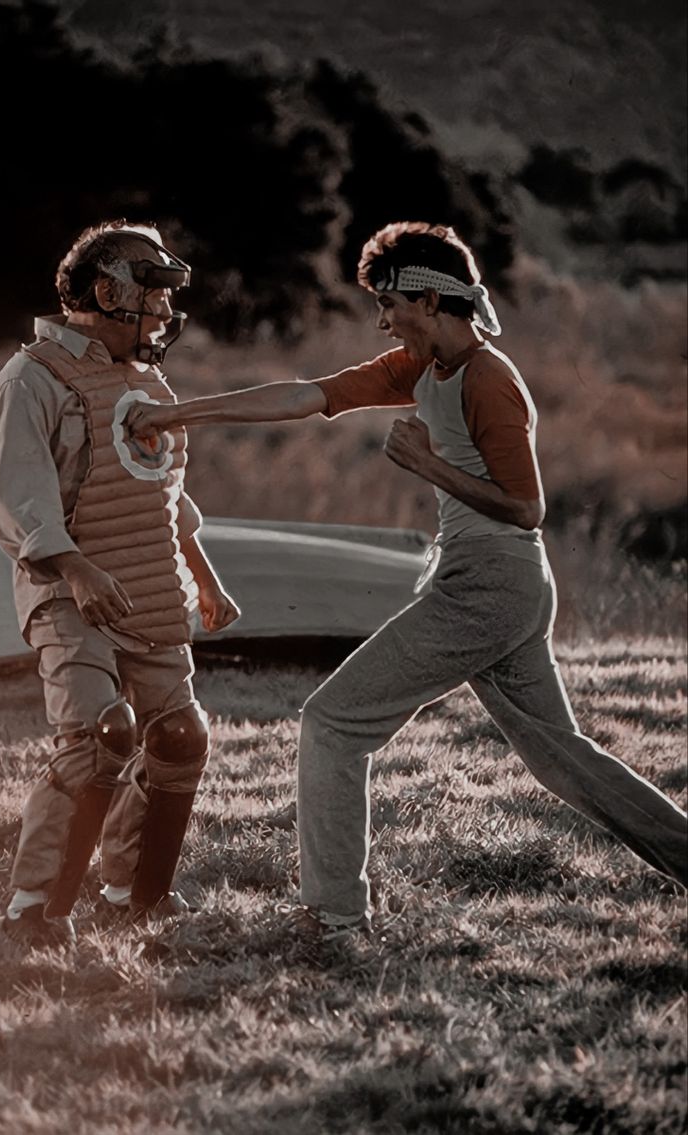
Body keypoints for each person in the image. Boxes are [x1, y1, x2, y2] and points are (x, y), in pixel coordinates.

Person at [128, 220, 687, 938]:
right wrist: (178, 413)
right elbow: (306, 395)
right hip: (490, 584)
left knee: (332, 723)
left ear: (428, 299)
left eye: (390, 304)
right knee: (562, 761)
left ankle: (333, 917)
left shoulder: (490, 379)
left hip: (490, 584)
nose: (383, 320)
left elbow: (527, 507)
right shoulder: (421, 367)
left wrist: (428, 465)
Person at [0, 220, 240, 947]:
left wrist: (206, 579)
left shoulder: (146, 381)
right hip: (69, 593)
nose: (162, 315)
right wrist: (74, 567)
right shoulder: (29, 380)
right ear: (106, 291)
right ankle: (36, 906)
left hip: (150, 589)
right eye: (151, 298)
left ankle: (137, 892)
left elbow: (163, 494)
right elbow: (17, 500)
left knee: (179, 736)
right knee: (101, 736)